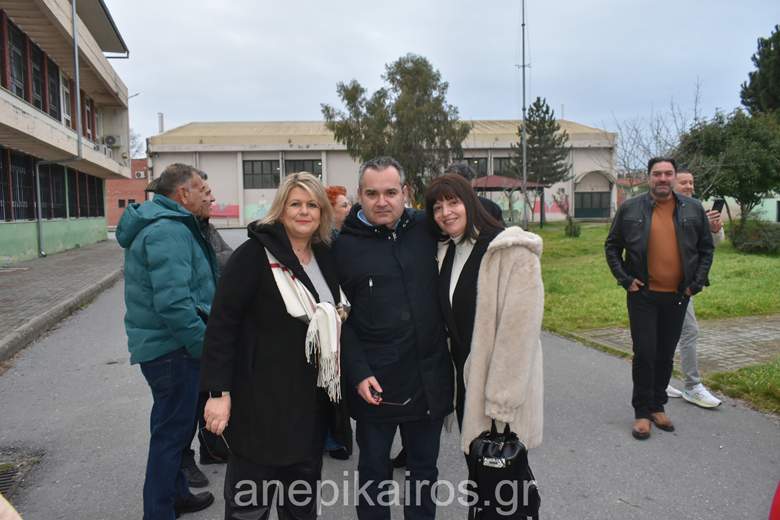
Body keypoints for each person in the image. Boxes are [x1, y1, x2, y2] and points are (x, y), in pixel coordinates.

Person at [199, 172, 350, 520]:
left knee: (300, 505)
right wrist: (218, 392)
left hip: (309, 407)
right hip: (259, 406)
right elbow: (221, 326)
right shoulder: (253, 256)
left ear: (322, 212)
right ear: (281, 209)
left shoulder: (325, 255)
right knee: (249, 506)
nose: (304, 211)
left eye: (312, 205)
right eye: (295, 204)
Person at [333, 157, 454, 520]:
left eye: (390, 192)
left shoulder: (426, 228)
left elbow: (476, 223)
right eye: (372, 194)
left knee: (424, 470)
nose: (381, 201)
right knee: (373, 471)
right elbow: (340, 320)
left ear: (406, 192)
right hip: (375, 382)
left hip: (428, 378)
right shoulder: (342, 248)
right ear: (360, 194)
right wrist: (358, 372)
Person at [117, 163, 217, 518]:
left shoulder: (169, 224)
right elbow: (174, 304)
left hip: (168, 348)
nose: (208, 196)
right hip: (173, 351)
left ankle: (176, 495)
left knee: (172, 427)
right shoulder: (168, 230)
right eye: (202, 189)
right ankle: (159, 511)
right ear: (183, 194)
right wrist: (203, 346)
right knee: (171, 434)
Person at [423, 174, 544, 457]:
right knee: (477, 468)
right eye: (437, 207)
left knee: (503, 473)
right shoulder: (448, 251)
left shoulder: (511, 252)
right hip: (467, 381)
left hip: (501, 391)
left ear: (470, 202)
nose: (445, 212)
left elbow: (520, 334)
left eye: (453, 202)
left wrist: (501, 401)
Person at [605, 157, 715, 440]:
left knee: (665, 354)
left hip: (678, 296)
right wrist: (625, 280)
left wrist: (695, 284)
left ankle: (657, 406)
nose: (663, 178)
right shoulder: (631, 208)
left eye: (668, 173)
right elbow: (612, 246)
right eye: (657, 174)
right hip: (642, 296)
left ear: (674, 177)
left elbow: (706, 249)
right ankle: (642, 412)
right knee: (645, 353)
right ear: (649, 177)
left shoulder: (692, 208)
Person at [665, 169, 724, 408]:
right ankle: (684, 384)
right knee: (678, 332)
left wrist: (714, 229)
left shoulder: (697, 208)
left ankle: (679, 383)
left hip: (686, 284)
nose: (689, 186)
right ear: (672, 184)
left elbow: (711, 245)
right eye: (684, 182)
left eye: (691, 182)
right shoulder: (662, 209)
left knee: (682, 331)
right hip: (661, 282)